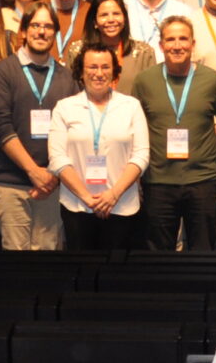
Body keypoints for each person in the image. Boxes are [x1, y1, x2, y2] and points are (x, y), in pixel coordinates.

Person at [0, 5, 72, 251]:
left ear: (55, 33)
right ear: (23, 31)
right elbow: (0, 125)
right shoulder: (3, 72)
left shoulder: (67, 77)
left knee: (48, 260)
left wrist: (53, 176)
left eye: (48, 26)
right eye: (35, 25)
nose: (41, 32)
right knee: (17, 262)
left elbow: (73, 132)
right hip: (10, 183)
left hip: (52, 185)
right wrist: (33, 171)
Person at [135, 16, 216, 251]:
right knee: (158, 257)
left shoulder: (212, 80)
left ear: (193, 44)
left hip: (202, 180)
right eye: (170, 39)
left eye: (183, 39)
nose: (177, 45)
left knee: (203, 254)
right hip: (157, 182)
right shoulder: (144, 81)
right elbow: (135, 132)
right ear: (161, 45)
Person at [52, 40, 148, 252]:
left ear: (114, 72)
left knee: (117, 269)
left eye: (105, 67)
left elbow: (141, 155)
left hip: (122, 205)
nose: (99, 73)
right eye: (92, 67)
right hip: (77, 205)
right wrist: (87, 198)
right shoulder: (64, 108)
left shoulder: (131, 106)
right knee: (81, 268)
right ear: (81, 71)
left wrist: (113, 194)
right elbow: (58, 159)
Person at [87, 0, 154, 90]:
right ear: (95, 22)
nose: (111, 19)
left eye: (116, 14)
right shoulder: (78, 52)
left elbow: (150, 92)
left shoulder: (143, 53)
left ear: (125, 18)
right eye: (104, 15)